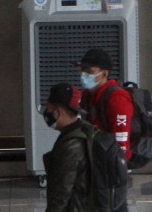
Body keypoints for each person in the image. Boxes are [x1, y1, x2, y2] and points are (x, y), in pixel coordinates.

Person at [42, 82, 100, 212]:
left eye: (48, 108)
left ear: (59, 111)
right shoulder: (85, 130)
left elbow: (61, 192)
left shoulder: (71, 146)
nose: (46, 113)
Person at [78, 48, 135, 162]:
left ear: (104, 73)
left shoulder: (117, 98)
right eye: (82, 70)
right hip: (94, 159)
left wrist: (118, 167)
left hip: (110, 165)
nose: (84, 74)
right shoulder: (87, 95)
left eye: (89, 71)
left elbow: (121, 140)